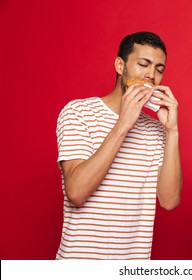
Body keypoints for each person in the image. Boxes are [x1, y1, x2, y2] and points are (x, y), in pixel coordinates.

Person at [56, 32, 182, 259]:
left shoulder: (156, 130)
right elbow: (76, 192)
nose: (151, 75)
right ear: (120, 65)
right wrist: (123, 124)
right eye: (143, 64)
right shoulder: (78, 113)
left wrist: (172, 131)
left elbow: (170, 200)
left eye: (159, 69)